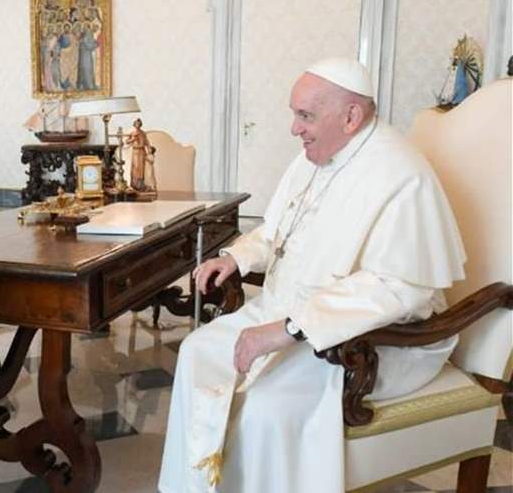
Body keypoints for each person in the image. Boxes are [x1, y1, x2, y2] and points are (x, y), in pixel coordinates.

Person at [158, 58, 466, 493]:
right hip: (287, 312)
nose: (294, 128)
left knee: (268, 403)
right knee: (196, 352)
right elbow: (280, 230)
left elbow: (400, 289)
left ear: (351, 116)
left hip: (372, 341)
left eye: (305, 115)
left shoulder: (401, 174)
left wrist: (288, 329)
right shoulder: (316, 155)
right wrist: (236, 258)